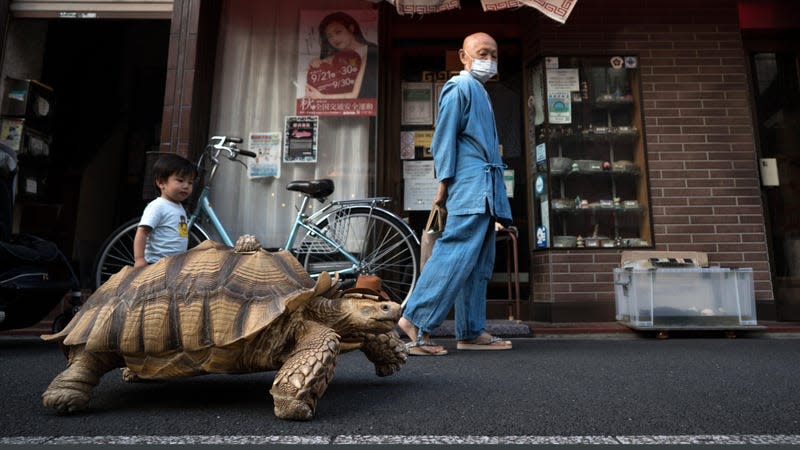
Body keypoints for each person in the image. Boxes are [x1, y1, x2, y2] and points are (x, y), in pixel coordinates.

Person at [397, 32, 513, 356]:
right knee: (456, 250)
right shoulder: (460, 87)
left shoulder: (479, 90)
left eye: (493, 54)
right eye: (481, 53)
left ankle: (471, 330)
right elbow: (443, 138)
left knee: (478, 260)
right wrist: (443, 183)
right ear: (463, 56)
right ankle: (415, 321)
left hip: (484, 184)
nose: (488, 59)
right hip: (470, 182)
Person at [133, 153, 196, 268]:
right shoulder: (158, 206)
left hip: (174, 264)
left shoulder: (179, 207)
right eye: (180, 180)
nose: (186, 186)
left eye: (190, 182)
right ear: (161, 183)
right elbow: (142, 232)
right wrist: (139, 259)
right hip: (156, 263)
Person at [304, 11, 377, 99]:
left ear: (351, 28)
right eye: (330, 36)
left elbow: (355, 95)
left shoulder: (371, 52)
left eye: (338, 32)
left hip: (365, 109)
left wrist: (322, 97)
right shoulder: (333, 59)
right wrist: (316, 66)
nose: (334, 39)